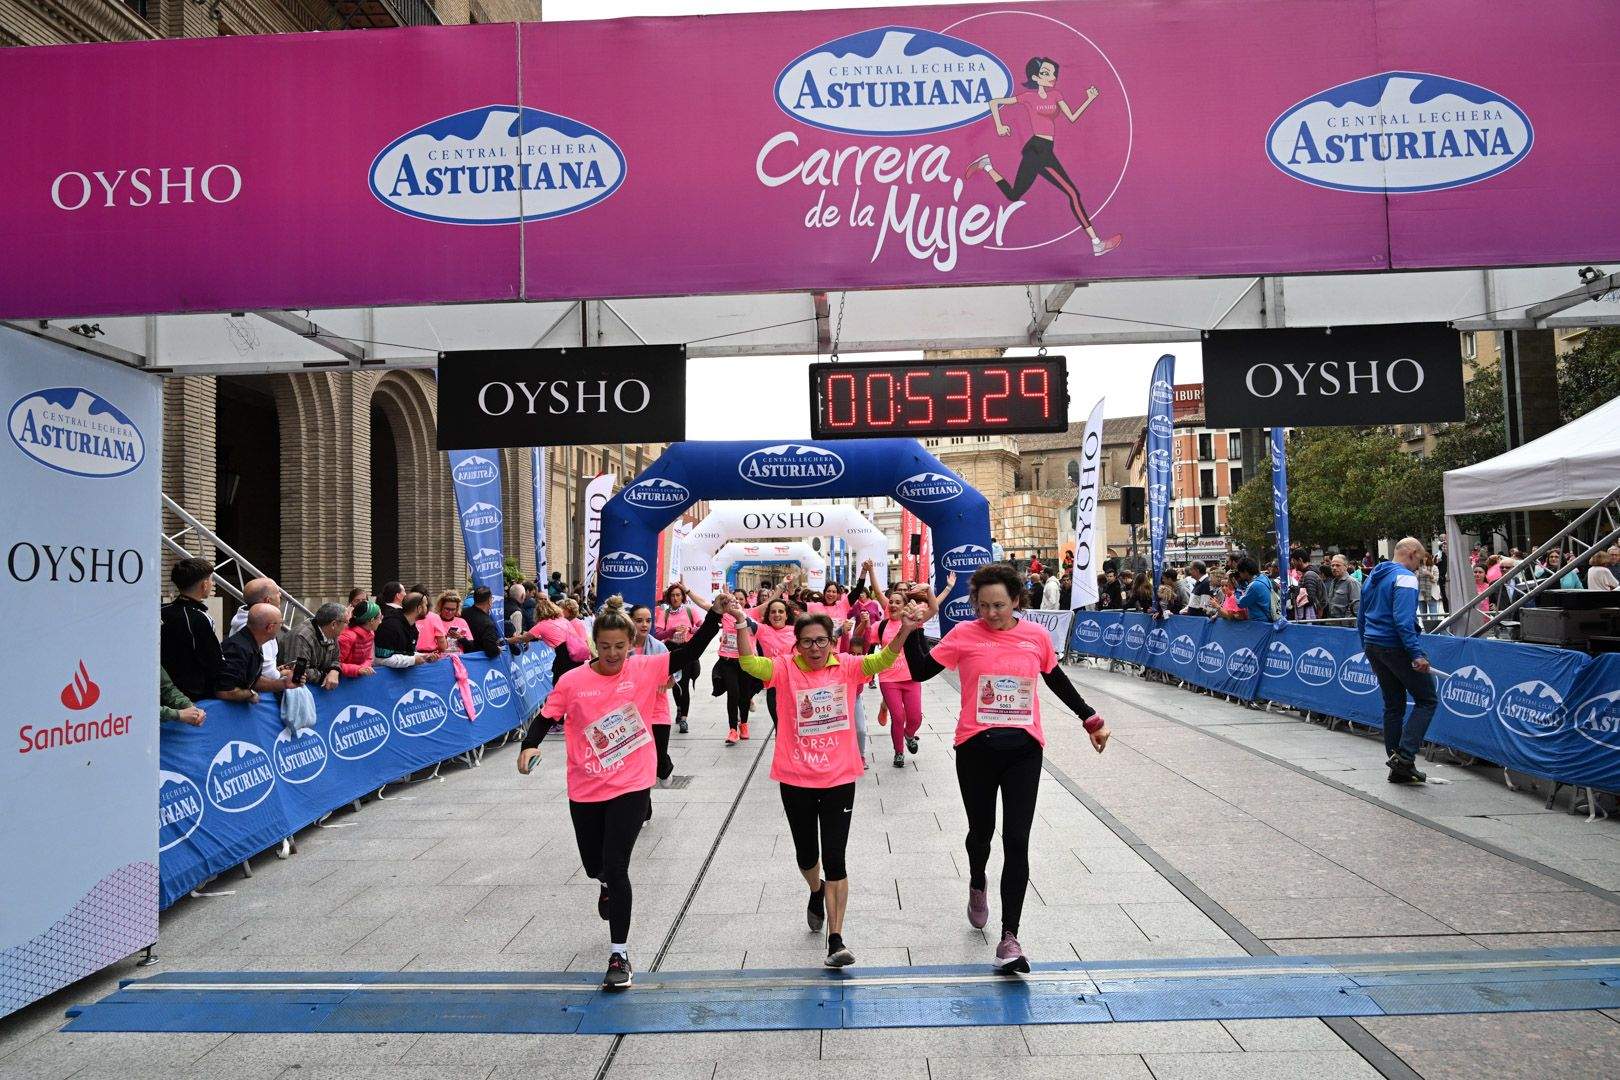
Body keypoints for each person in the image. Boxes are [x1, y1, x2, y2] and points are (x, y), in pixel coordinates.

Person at [902, 565, 1111, 973]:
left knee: (1017, 840)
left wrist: (1090, 718)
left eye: (999, 605)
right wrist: (911, 630)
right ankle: (977, 880)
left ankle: (1009, 938)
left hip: (1023, 751)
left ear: (1016, 600)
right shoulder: (963, 634)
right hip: (975, 749)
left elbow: (1056, 680)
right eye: (983, 606)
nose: (991, 613)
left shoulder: (1035, 636)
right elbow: (920, 671)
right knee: (981, 835)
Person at [517, 589, 729, 990]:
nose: (613, 654)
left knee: (618, 866)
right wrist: (529, 745)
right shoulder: (573, 680)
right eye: (605, 646)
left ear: (632, 644)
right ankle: (601, 883)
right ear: (594, 645)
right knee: (595, 866)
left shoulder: (644, 668)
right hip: (585, 785)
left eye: (620, 646)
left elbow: (688, 655)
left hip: (632, 782)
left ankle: (620, 954)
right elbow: (547, 717)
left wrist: (714, 617)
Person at [736, 601, 926, 968]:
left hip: (839, 777)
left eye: (821, 641)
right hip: (795, 778)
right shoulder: (783, 669)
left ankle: (836, 939)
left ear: (832, 641)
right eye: (807, 642)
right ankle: (815, 888)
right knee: (807, 856)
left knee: (836, 858)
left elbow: (885, 659)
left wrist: (905, 628)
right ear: (797, 644)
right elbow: (748, 664)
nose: (815, 648)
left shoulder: (850, 667)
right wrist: (742, 624)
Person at [1359, 538, 1437, 785]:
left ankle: (1397, 761)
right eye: (1420, 561)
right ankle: (1404, 757)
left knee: (1393, 705)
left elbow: (1361, 617)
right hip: (1394, 645)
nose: (1419, 568)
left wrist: (1367, 647)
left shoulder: (1372, 576)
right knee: (1427, 700)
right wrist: (1416, 654)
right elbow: (1403, 621)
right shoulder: (1405, 578)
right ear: (1412, 554)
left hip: (1374, 643)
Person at [874, 575, 955, 768]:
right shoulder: (881, 626)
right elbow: (864, 649)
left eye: (897, 602)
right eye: (890, 601)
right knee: (898, 717)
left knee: (915, 717)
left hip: (911, 677)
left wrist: (930, 589)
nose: (893, 604)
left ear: (905, 605)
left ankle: (909, 735)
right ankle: (899, 752)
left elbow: (935, 608)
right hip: (888, 679)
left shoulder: (914, 620)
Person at [629, 602, 678, 794]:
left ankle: (665, 768)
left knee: (658, 755)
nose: (644, 625)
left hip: (657, 711)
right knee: (639, 763)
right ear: (630, 622)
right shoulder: (623, 648)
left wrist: (665, 682)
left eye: (648, 621)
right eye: (639, 620)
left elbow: (672, 680)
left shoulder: (659, 648)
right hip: (632, 712)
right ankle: (644, 810)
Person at [160, 557, 222, 702]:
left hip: (163, 690)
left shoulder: (162, 610)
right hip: (193, 696)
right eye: (211, 580)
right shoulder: (198, 617)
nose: (212, 584)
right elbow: (214, 661)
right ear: (204, 584)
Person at [217, 604, 298, 703]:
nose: (281, 627)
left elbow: (253, 680)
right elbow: (225, 691)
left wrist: (284, 683)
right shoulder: (238, 648)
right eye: (281, 623)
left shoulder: (252, 644)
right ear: (270, 627)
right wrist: (250, 694)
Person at [655, 582, 703, 733]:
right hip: (671, 651)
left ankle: (684, 719)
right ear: (668, 598)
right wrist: (672, 630)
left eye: (678, 595)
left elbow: (702, 627)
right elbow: (658, 634)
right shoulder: (665, 613)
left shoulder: (690, 611)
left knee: (685, 684)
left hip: (687, 650)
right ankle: (679, 707)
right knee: (676, 684)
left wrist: (690, 629)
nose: (675, 598)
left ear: (683, 597)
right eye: (673, 595)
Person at [751, 597, 799, 728]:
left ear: (787, 615)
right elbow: (745, 619)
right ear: (768, 615)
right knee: (780, 728)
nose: (777, 614)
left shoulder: (796, 631)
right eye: (773, 612)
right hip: (774, 688)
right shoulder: (762, 629)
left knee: (796, 729)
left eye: (780, 611)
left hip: (796, 687)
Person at [284, 602, 345, 690]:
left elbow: (336, 659)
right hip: (292, 689)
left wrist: (334, 670)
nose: (347, 626)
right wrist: (324, 675)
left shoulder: (332, 634)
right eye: (346, 622)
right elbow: (298, 670)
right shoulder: (301, 636)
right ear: (333, 624)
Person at [375, 592, 434, 668]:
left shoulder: (412, 627)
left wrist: (424, 656)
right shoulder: (389, 626)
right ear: (419, 609)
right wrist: (413, 660)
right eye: (425, 605)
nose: (427, 608)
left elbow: (407, 653)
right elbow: (381, 659)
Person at [1211, 557, 1272, 623]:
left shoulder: (1254, 585)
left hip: (1260, 622)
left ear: (1245, 572)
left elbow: (1240, 603)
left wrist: (1237, 588)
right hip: (1268, 617)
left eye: (1240, 572)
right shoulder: (1264, 578)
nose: (1240, 575)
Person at [339, 601, 380, 677]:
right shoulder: (347, 637)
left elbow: (369, 657)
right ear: (371, 621)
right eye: (379, 618)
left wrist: (364, 668)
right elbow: (334, 665)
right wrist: (357, 670)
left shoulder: (370, 633)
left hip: (357, 679)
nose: (380, 622)